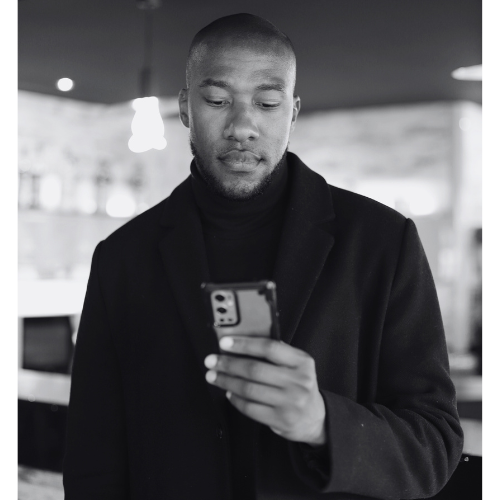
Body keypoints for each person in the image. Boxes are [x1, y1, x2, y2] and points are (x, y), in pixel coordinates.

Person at [63, 13, 463, 500]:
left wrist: (323, 423)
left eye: (267, 103)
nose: (242, 127)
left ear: (292, 112)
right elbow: (92, 456)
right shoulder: (122, 258)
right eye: (217, 101)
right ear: (186, 108)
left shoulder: (383, 242)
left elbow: (435, 446)